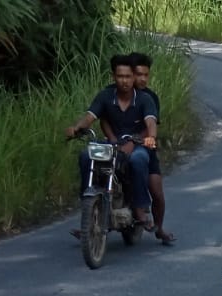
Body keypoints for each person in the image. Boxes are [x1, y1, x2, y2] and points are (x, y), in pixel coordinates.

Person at [64, 55, 156, 231]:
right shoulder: (105, 96)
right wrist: (76, 128)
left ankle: (140, 207)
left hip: (136, 144)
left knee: (138, 160)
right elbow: (90, 117)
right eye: (120, 76)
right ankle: (88, 205)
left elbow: (150, 122)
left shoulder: (144, 99)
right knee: (86, 156)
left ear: (133, 77)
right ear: (113, 76)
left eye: (128, 76)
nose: (124, 81)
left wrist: (150, 137)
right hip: (111, 144)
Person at [129, 52, 174, 245]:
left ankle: (159, 228)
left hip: (144, 147)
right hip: (118, 146)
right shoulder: (115, 94)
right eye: (138, 74)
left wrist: (139, 140)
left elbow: (151, 126)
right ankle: (91, 223)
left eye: (146, 75)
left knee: (156, 191)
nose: (143, 79)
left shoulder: (150, 97)